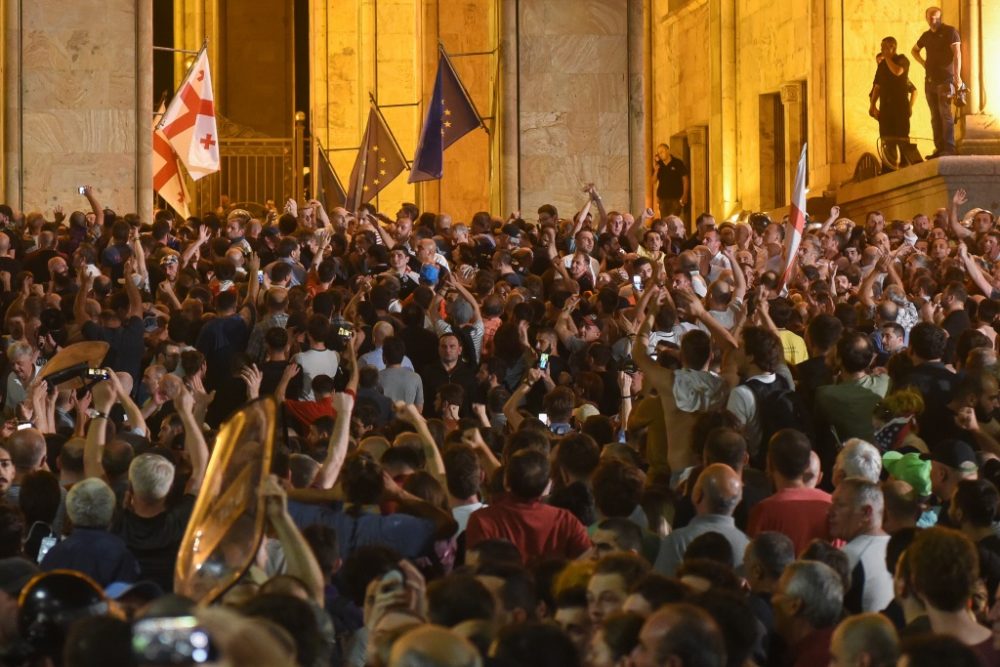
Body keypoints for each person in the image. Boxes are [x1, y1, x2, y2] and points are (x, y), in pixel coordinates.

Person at [653, 464, 749, 576]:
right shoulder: (748, 547)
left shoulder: (677, 542)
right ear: (738, 501)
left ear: (697, 495)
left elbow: (659, 588)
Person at [828, 478, 894, 613]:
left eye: (840, 505)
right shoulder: (895, 547)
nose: (829, 512)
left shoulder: (848, 556)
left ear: (866, 512)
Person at [911, 6, 962, 158]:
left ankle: (949, 148)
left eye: (936, 18)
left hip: (946, 80)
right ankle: (939, 148)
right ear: (926, 18)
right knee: (934, 116)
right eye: (931, 18)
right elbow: (914, 50)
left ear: (941, 18)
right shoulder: (926, 36)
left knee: (945, 114)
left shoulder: (950, 32)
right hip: (930, 82)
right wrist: (923, 62)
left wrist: (957, 77)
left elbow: (957, 54)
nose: (934, 21)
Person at [773, 560, 844, 667]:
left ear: (794, 606)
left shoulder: (814, 660)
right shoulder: (834, 645)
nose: (772, 600)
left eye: (777, 592)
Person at [870, 36, 917, 170]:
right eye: (881, 47)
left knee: (902, 137)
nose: (882, 50)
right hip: (885, 109)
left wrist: (888, 58)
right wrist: (872, 105)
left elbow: (897, 72)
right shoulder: (882, 66)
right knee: (886, 139)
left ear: (892, 47)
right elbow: (877, 86)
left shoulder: (902, 60)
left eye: (884, 47)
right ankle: (887, 168)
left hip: (900, 108)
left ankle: (905, 164)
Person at [652, 144, 690, 219]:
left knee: (673, 221)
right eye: (659, 153)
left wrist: (685, 194)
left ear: (668, 151)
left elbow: (685, 179)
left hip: (675, 198)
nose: (660, 154)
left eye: (662, 152)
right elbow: (653, 181)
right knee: (664, 222)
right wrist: (656, 171)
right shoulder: (658, 165)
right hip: (662, 199)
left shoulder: (678, 163)